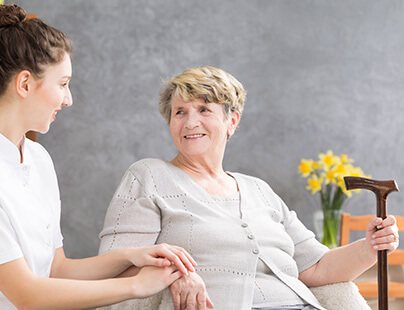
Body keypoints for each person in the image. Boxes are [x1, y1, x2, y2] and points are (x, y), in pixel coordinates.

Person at [0, 5, 197, 309]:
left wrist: (130, 256)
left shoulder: (38, 159)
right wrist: (135, 285)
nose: (68, 100)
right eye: (63, 84)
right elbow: (28, 295)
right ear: (25, 84)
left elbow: (56, 270)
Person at [98, 66, 400, 310]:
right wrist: (173, 277)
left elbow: (317, 268)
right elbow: (114, 268)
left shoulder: (259, 190)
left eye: (204, 109)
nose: (190, 122)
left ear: (232, 121)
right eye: (180, 112)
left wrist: (370, 246)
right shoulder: (148, 176)